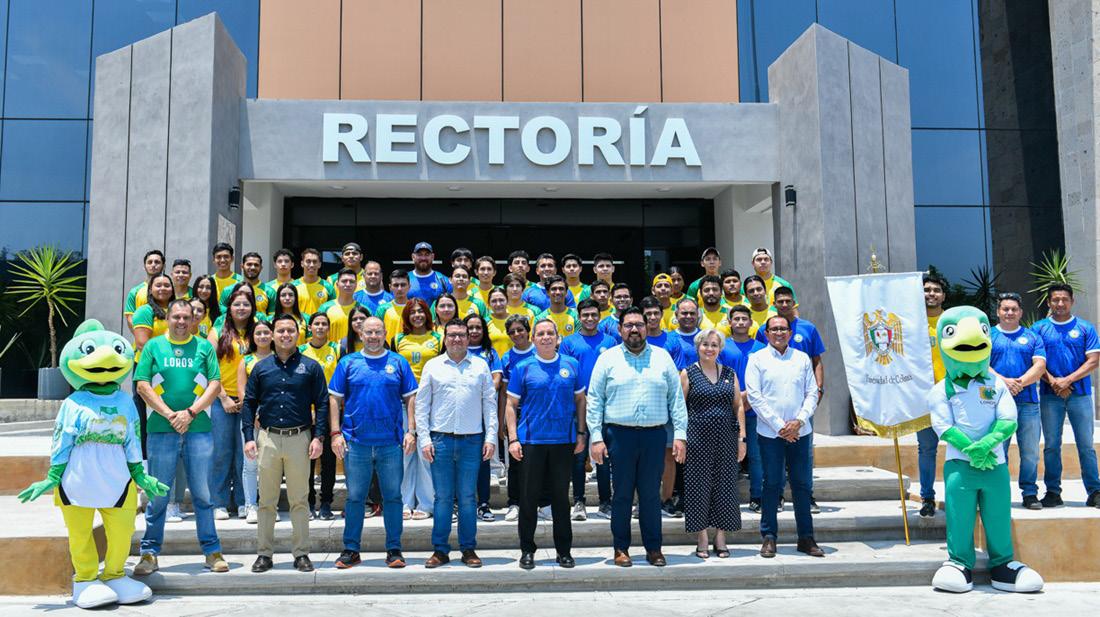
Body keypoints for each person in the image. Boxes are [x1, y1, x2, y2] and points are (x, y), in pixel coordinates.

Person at [133, 299, 228, 576]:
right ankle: (149, 553)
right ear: (168, 318)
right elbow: (142, 385)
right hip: (161, 430)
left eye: (187, 317)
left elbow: (215, 384)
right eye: (176, 316)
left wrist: (190, 413)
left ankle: (212, 551)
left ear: (193, 319)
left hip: (198, 430)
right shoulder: (153, 346)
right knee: (158, 495)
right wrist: (170, 415)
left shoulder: (204, 347)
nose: (182, 322)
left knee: (203, 495)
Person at [587, 307, 687, 567]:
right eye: (629, 325)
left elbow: (676, 399)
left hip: (654, 436)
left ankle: (654, 549)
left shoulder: (662, 357)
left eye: (639, 325)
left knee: (651, 495)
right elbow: (595, 400)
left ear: (647, 328)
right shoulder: (607, 359)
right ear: (620, 329)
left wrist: (680, 435)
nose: (634, 329)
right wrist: (596, 437)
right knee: (621, 494)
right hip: (619, 436)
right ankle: (621, 548)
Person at [241, 314, 329, 574]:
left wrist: (318, 437)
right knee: (266, 500)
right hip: (268, 438)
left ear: (298, 334)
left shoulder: (311, 367)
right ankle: (264, 554)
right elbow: (249, 403)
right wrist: (249, 438)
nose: (285, 335)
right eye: (280, 331)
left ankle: (301, 553)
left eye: (290, 330)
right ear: (272, 334)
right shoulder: (261, 368)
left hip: (299, 438)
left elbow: (322, 403)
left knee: (299, 500)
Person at [328, 316, 417, 569]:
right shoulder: (348, 362)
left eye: (378, 332)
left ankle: (394, 549)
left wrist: (411, 431)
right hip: (356, 443)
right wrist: (335, 433)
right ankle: (351, 550)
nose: (374, 337)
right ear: (360, 334)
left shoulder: (398, 362)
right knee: (355, 498)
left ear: (385, 333)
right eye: (369, 332)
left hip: (390, 443)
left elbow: (411, 397)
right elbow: (334, 398)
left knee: (393, 497)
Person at [416, 319, 498, 569]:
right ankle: (440, 550)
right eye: (452, 335)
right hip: (440, 440)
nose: (457, 339)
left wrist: (490, 437)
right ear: (444, 338)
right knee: (442, 497)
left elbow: (490, 404)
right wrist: (424, 439)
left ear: (468, 338)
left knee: (467, 498)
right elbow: (422, 405)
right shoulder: (433, 366)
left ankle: (468, 548)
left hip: (472, 440)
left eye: (461, 335)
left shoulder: (480, 366)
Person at [506, 318, 586, 569]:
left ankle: (564, 551)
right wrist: (513, 439)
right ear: (533, 339)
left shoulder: (571, 365)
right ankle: (527, 550)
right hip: (532, 441)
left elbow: (580, 400)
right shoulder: (523, 367)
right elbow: (510, 405)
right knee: (528, 498)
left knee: (561, 499)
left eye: (550, 333)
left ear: (558, 337)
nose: (546, 337)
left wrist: (581, 433)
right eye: (540, 334)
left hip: (563, 441)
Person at [746, 315, 822, 559]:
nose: (779, 333)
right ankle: (769, 537)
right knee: (771, 483)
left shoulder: (801, 358)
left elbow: (812, 393)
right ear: (766, 334)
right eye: (774, 329)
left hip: (800, 432)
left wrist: (799, 421)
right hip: (770, 434)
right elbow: (755, 397)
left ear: (790, 333)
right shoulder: (757, 359)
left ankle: (806, 537)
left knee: (802, 484)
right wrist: (781, 427)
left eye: (783, 329)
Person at [754, 285, 825, 513]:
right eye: (780, 301)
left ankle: (807, 496)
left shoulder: (808, 328)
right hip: (772, 412)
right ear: (774, 304)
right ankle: (778, 497)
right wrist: (780, 426)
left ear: (794, 303)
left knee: (805, 456)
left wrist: (818, 390)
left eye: (788, 301)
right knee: (773, 462)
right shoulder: (765, 330)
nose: (784, 304)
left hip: (802, 405)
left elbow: (817, 361)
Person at [1033, 283, 1100, 508]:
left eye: (1064, 299)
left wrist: (1066, 380)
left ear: (1072, 301)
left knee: (1086, 445)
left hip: (1080, 395)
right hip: (1049, 395)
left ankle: (1094, 491)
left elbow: (1093, 360)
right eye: (1055, 299)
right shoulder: (1039, 328)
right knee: (1052, 445)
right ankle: (1053, 492)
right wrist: (1053, 381)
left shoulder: (1085, 327)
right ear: (1049, 302)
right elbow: (1035, 362)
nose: (1060, 303)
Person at [681, 328, 745, 559]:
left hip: (726, 438)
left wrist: (742, 438)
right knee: (698, 487)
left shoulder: (730, 373)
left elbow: (738, 406)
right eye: (705, 344)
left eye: (714, 345)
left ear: (720, 349)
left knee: (725, 486)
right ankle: (702, 538)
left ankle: (720, 537)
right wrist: (681, 439)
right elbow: (680, 408)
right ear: (698, 347)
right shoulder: (688, 373)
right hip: (697, 439)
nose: (709, 349)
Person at [988, 292, 1047, 509]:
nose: (1010, 313)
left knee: (1030, 452)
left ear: (1021, 312)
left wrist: (1019, 383)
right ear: (998, 312)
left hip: (1028, 403)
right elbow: (982, 364)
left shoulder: (1032, 337)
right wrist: (1004, 382)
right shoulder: (988, 335)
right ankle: (998, 493)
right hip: (996, 403)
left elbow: (1040, 365)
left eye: (1014, 309)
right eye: (1005, 309)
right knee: (998, 450)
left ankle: (1030, 493)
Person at [560, 299, 616, 520]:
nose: (590, 318)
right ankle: (579, 502)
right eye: (585, 315)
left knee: (602, 455)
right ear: (579, 317)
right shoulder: (569, 343)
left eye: (594, 314)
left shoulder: (610, 341)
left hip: (605, 406)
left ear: (599, 316)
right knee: (578, 455)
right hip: (577, 406)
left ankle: (605, 502)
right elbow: (565, 373)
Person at [207, 288, 256, 520]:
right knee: (221, 452)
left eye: (246, 304)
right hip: (222, 400)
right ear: (229, 308)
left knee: (244, 454)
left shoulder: (257, 330)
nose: (241, 308)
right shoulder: (217, 331)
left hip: (249, 401)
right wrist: (223, 397)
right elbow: (209, 367)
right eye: (237, 304)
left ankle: (244, 501)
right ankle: (219, 502)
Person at [394, 298, 441, 520]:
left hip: (430, 402)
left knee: (425, 453)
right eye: (412, 312)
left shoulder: (438, 338)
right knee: (405, 452)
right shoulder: (397, 339)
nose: (417, 316)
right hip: (404, 401)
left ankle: (426, 502)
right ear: (406, 316)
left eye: (421, 311)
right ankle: (405, 501)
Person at [300, 313, 341, 520]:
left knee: (328, 460)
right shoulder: (300, 350)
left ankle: (326, 503)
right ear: (310, 327)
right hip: (305, 411)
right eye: (316, 323)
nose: (320, 327)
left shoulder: (336, 349)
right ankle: (308, 502)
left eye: (324, 324)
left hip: (329, 409)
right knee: (306, 459)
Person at [725, 304, 765, 510]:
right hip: (728, 410)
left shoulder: (761, 348)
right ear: (729, 322)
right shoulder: (722, 347)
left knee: (756, 456)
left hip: (756, 411)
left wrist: (747, 397)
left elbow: (766, 379)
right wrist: (737, 399)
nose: (740, 322)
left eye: (744, 319)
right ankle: (728, 498)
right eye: (736, 319)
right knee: (730, 456)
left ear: (751, 322)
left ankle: (757, 496)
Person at [466, 313, 504, 521]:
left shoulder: (490, 353)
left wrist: (480, 393)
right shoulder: (457, 350)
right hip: (461, 412)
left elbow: (496, 378)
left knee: (483, 459)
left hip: (483, 410)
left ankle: (483, 503)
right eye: (470, 327)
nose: (474, 331)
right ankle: (461, 502)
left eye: (478, 327)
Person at [236, 320, 274, 524]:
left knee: (271, 465)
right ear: (252, 337)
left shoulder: (279, 358)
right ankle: (251, 505)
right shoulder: (246, 360)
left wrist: (266, 414)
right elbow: (242, 392)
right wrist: (255, 414)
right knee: (250, 464)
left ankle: (269, 506)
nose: (262, 337)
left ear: (272, 335)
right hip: (251, 418)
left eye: (266, 332)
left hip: (274, 419)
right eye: (258, 333)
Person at [500, 314, 536, 522]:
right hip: (517, 412)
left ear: (528, 330)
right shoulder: (507, 358)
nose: (516, 334)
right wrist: (503, 421)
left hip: (539, 412)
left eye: (520, 329)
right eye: (512, 331)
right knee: (515, 461)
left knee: (540, 459)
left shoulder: (540, 351)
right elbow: (504, 393)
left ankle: (541, 502)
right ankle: (514, 503)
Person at [917, 273, 947, 517]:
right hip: (924, 397)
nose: (931, 294)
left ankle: (965, 494)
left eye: (936, 290)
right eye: (927, 290)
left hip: (953, 394)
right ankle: (927, 497)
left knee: (964, 447)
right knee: (927, 449)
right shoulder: (912, 323)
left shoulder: (952, 322)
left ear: (943, 295)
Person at [124, 249, 165, 333]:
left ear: (163, 266)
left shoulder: (169, 289)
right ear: (144, 266)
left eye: (157, 262)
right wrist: (141, 336)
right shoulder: (135, 291)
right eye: (150, 262)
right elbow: (130, 318)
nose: (153, 265)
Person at [315, 268, 359, 344]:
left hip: (356, 351)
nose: (348, 284)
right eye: (344, 281)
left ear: (356, 285)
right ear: (337, 284)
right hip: (331, 351)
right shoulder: (325, 308)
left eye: (351, 281)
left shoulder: (363, 309)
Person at [294, 248, 335, 315]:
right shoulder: (293, 286)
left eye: (315, 262)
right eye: (308, 261)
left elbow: (332, 311)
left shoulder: (328, 287)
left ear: (319, 264)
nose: (311, 265)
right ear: (302, 263)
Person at [375, 269, 411, 344]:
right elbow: (376, 332)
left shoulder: (414, 308)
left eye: (403, 285)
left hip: (410, 348)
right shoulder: (382, 309)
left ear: (409, 286)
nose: (399, 288)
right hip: (388, 349)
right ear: (390, 287)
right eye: (396, 285)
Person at [485, 287, 514, 356]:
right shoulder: (485, 322)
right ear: (489, 304)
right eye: (494, 301)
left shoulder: (515, 321)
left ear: (507, 301)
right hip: (492, 362)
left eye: (501, 300)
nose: (498, 304)